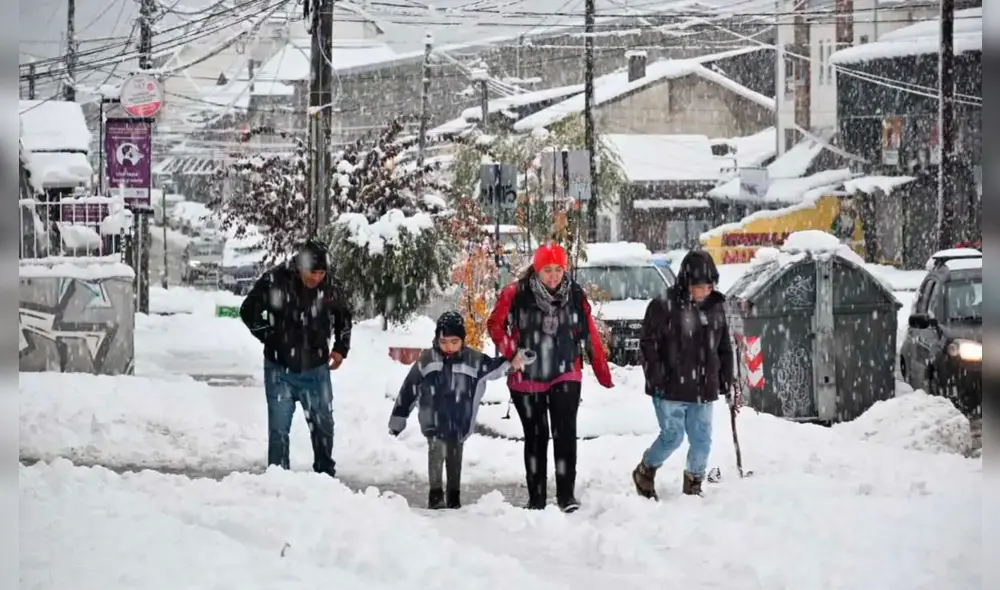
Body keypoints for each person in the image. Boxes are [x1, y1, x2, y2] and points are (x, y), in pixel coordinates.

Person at [487, 243, 614, 512]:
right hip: (528, 376)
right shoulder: (516, 293)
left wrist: (602, 371)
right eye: (547, 270)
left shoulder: (575, 295)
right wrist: (512, 353)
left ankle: (566, 496)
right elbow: (495, 324)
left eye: (558, 269)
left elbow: (589, 333)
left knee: (565, 433)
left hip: (566, 371)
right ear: (536, 269)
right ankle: (537, 499)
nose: (553, 276)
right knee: (536, 436)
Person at [388, 311, 525, 509]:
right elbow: (409, 389)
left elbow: (494, 368)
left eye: (454, 342)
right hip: (433, 422)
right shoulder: (427, 360)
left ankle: (454, 496)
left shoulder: (472, 359)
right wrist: (397, 421)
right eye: (443, 342)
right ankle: (436, 494)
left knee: (454, 459)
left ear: (462, 340)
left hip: (459, 423)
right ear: (437, 339)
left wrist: (515, 362)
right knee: (436, 454)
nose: (449, 347)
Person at [239, 239, 352, 477]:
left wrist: (341, 348)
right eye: (313, 272)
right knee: (279, 429)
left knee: (323, 425)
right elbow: (248, 310)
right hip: (279, 368)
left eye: (322, 273)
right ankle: (278, 477)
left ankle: (325, 475)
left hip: (316, 367)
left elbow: (343, 316)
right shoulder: (275, 280)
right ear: (301, 266)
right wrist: (269, 337)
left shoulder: (330, 285)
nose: (317, 278)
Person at [632, 250, 734, 500]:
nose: (706, 291)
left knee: (702, 440)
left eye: (710, 285)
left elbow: (723, 345)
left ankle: (694, 483)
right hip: (669, 387)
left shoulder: (715, 307)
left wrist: (726, 377)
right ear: (686, 283)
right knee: (672, 437)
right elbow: (648, 345)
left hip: (703, 386)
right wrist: (657, 377)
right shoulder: (662, 306)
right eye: (700, 286)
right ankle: (645, 470)